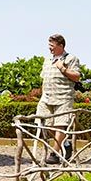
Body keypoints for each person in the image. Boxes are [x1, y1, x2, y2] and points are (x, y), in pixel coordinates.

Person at [37, 34, 81, 164]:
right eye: (49, 45)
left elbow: (76, 76)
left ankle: (54, 154)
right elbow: (44, 79)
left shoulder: (71, 58)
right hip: (47, 98)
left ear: (61, 46)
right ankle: (66, 143)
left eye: (52, 45)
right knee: (46, 124)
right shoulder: (47, 59)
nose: (49, 48)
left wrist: (63, 68)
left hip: (64, 97)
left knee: (60, 125)